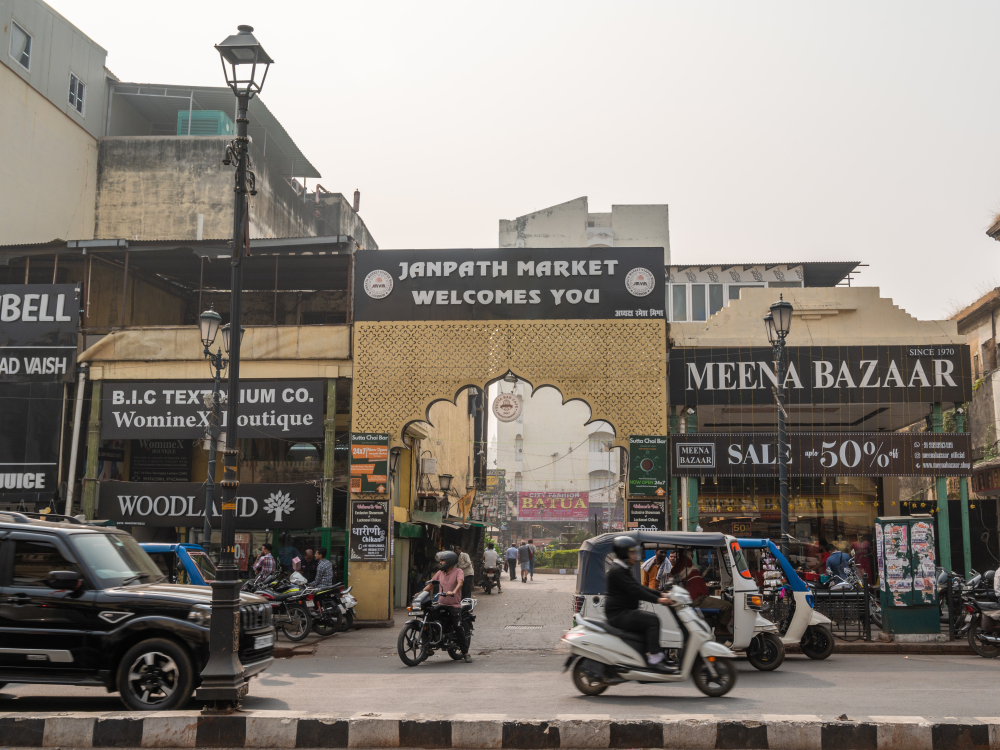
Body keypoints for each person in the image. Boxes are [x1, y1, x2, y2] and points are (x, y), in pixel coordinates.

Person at [604, 536, 675, 671]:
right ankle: (654, 660)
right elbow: (635, 591)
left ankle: (649, 657)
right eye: (632, 553)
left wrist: (661, 594)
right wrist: (659, 600)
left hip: (624, 611)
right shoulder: (617, 570)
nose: (635, 556)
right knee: (653, 620)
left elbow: (639, 587)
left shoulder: (622, 568)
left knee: (648, 621)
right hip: (619, 614)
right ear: (624, 553)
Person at [422, 550, 472, 662]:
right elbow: (431, 585)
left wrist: (453, 591)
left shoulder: (458, 571)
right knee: (428, 622)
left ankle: (466, 652)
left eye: (443, 561)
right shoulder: (440, 573)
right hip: (441, 604)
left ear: (449, 561)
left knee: (458, 627)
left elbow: (460, 583)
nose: (440, 563)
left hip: (454, 605)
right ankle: (428, 648)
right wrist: (421, 593)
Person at [675, 553, 733, 630]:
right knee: (728, 606)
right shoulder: (684, 563)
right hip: (698, 599)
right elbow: (687, 552)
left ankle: (715, 626)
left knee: (718, 607)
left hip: (699, 597)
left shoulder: (684, 565)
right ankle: (721, 629)